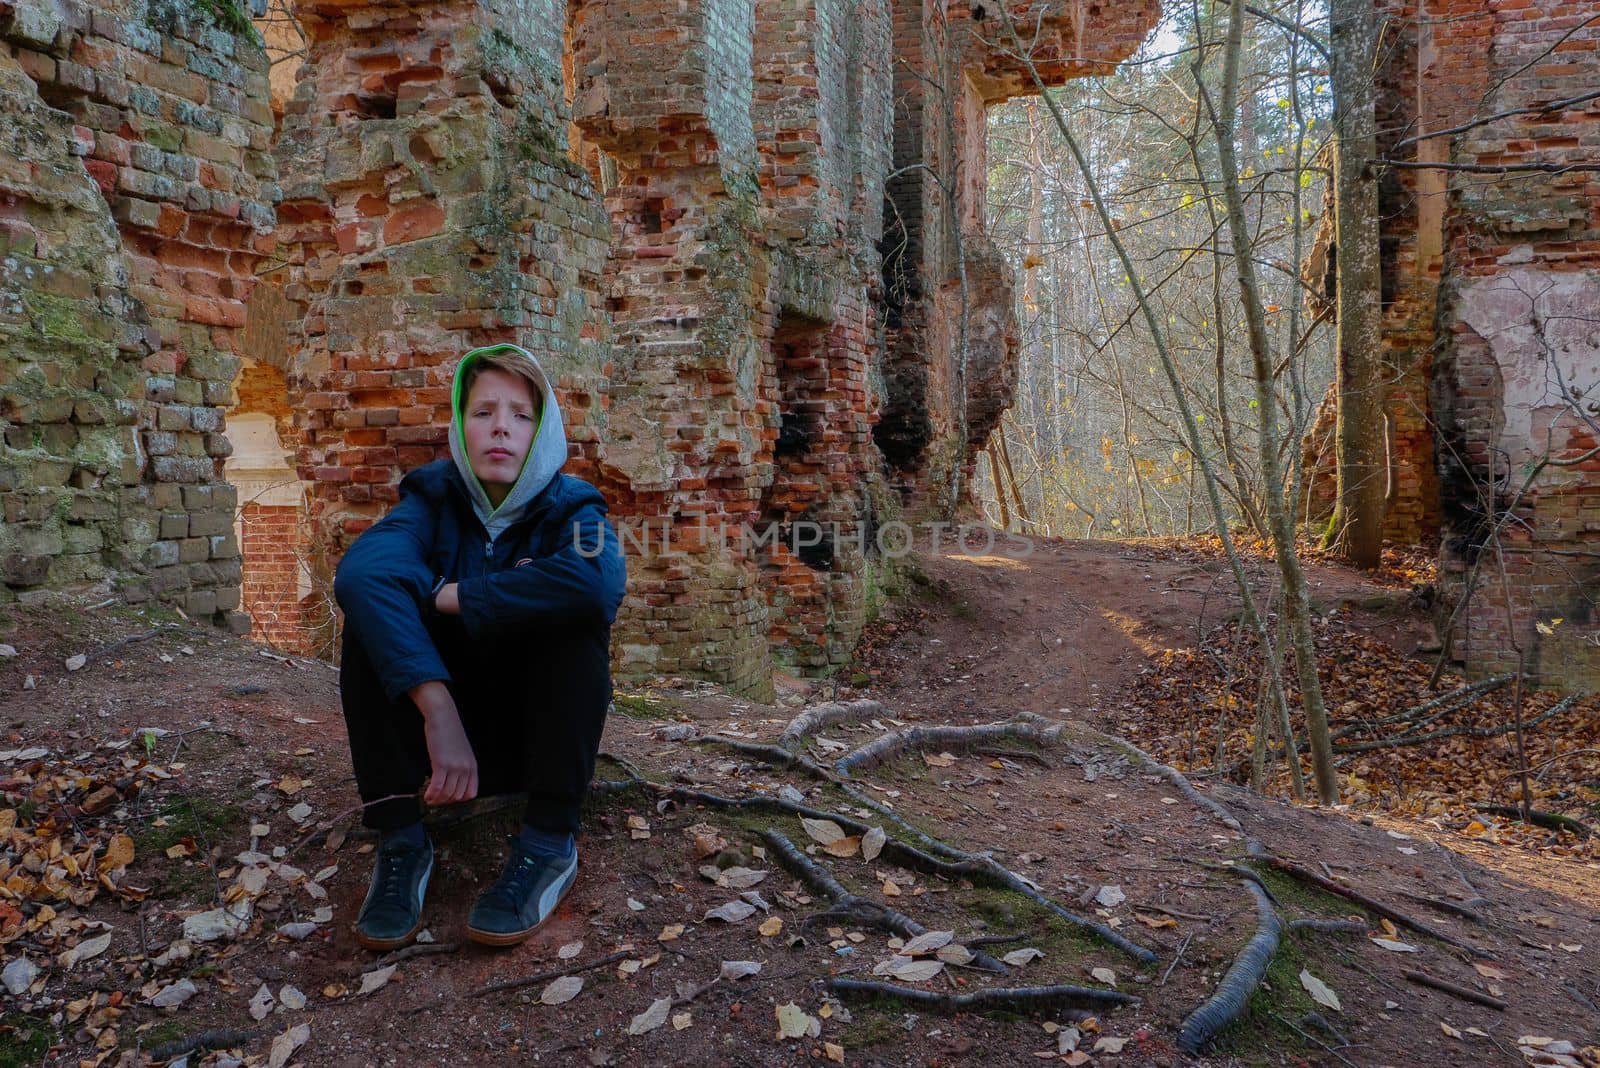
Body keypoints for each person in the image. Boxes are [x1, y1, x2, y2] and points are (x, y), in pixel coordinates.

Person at [332, 343, 625, 950]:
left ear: (542, 432)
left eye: (521, 415)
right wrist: (439, 713)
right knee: (369, 617)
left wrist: (451, 595)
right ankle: (402, 840)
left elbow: (596, 581)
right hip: (439, 754)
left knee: (571, 621)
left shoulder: (574, 508)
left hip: (530, 745)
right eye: (484, 411)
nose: (500, 428)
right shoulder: (430, 500)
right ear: (460, 426)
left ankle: (547, 843)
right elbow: (363, 574)